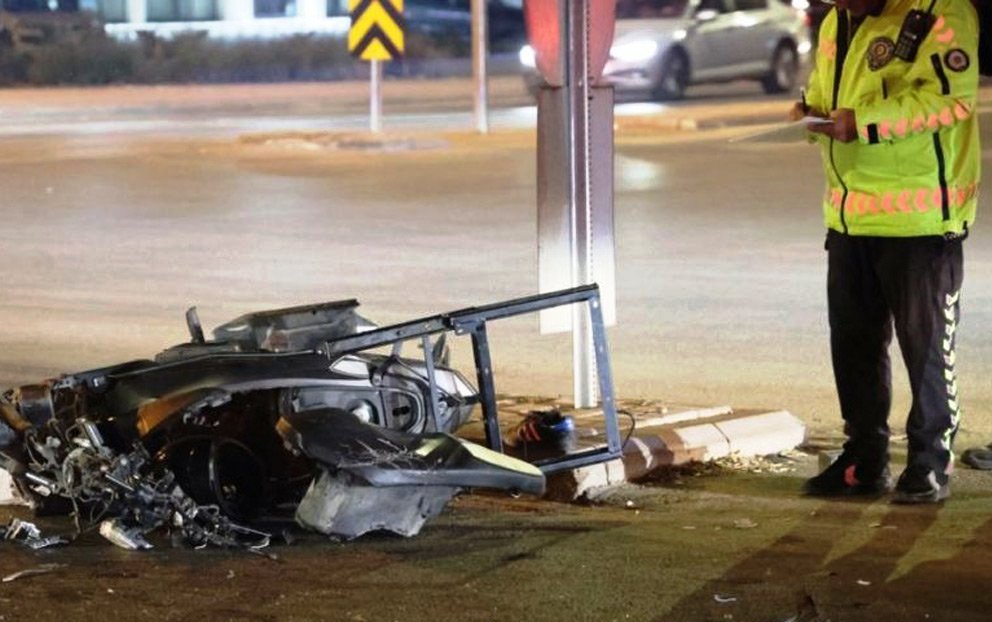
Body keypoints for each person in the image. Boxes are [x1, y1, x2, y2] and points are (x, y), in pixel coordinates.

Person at [795, 0, 981, 503]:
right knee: (853, 345)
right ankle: (864, 457)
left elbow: (952, 100)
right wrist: (809, 108)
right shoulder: (837, 20)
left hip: (921, 219)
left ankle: (928, 462)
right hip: (850, 214)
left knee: (925, 350)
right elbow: (831, 89)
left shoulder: (941, 12)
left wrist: (866, 122)